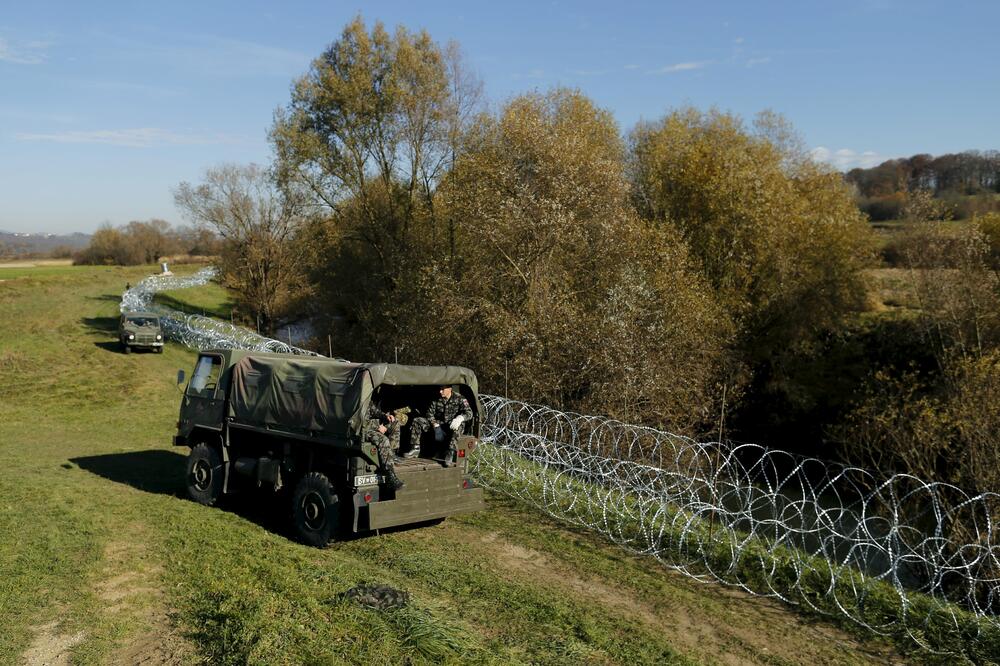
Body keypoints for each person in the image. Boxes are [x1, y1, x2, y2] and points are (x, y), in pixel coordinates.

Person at [406, 385, 473, 466]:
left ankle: (450, 452)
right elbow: (429, 414)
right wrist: (435, 424)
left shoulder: (460, 398)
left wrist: (460, 418)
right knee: (418, 420)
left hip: (451, 425)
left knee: (459, 424)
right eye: (440, 389)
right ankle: (415, 448)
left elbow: (469, 413)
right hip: (438, 425)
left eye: (442, 389)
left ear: (450, 389)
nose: (440, 391)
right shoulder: (436, 399)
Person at [364, 401, 404, 490]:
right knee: (383, 439)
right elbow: (359, 422)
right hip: (365, 430)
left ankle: (392, 453)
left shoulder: (368, 402)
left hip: (374, 425)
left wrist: (385, 417)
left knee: (395, 423)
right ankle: (390, 475)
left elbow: (374, 411)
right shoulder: (357, 402)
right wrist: (378, 427)